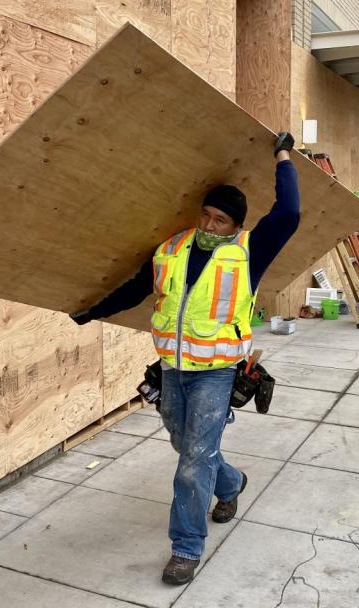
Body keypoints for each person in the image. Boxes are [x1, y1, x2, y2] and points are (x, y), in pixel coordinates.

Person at [70, 132, 301, 586]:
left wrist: (283, 156)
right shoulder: (172, 248)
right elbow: (137, 288)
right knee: (185, 444)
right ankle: (232, 482)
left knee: (193, 461)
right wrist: (93, 311)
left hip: (216, 372)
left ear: (236, 225)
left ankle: (186, 548)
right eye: (208, 215)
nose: (211, 226)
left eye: (222, 220)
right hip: (174, 369)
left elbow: (290, 212)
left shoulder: (249, 252)